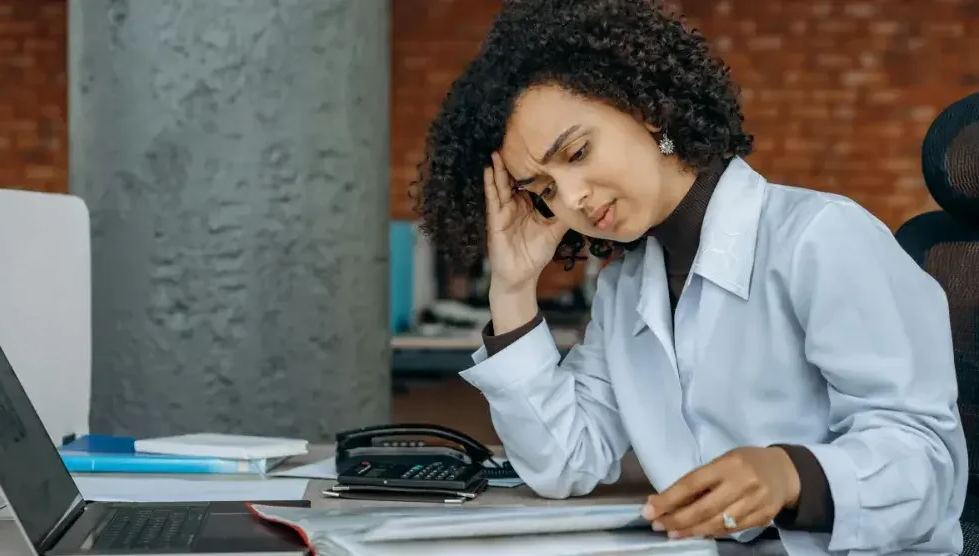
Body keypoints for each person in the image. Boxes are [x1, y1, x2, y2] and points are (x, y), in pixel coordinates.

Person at [410, 0, 968, 553]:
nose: (573, 198)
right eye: (545, 190)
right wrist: (511, 289)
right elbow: (563, 462)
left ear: (646, 106)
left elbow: (928, 465)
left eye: (578, 152)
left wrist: (791, 474)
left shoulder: (821, 238)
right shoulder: (626, 289)